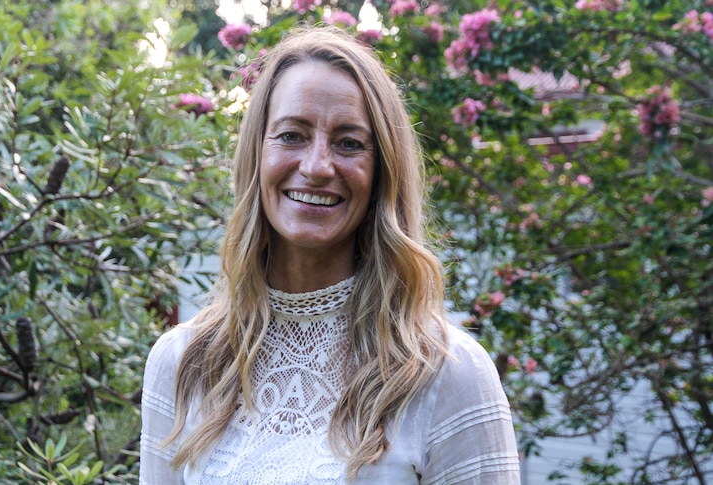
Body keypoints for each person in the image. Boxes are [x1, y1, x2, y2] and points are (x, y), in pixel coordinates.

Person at [139, 26, 520, 484]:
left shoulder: (447, 375)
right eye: (292, 135)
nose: (318, 166)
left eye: (349, 143)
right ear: (256, 155)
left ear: (381, 174)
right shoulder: (182, 363)